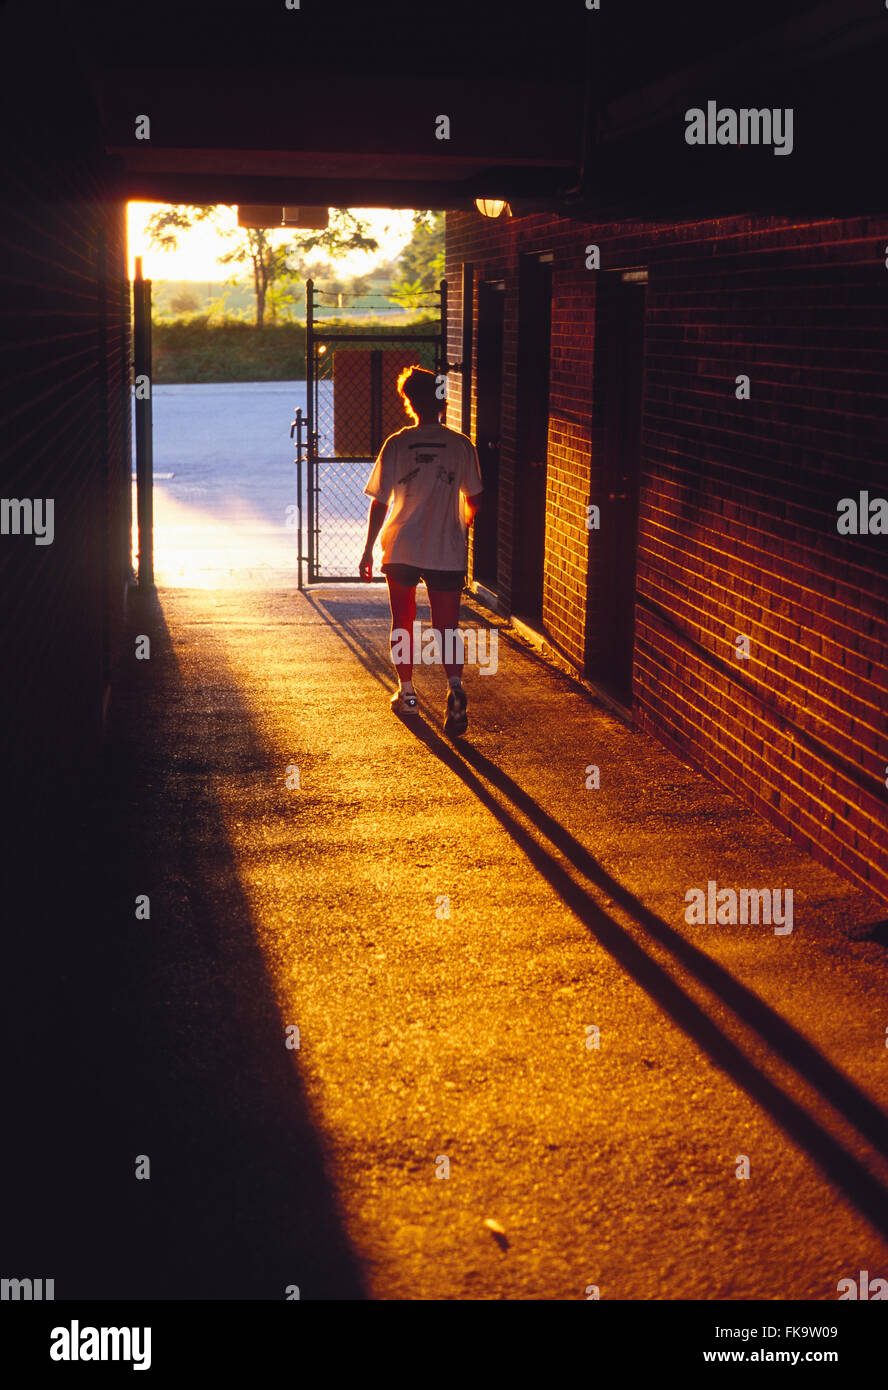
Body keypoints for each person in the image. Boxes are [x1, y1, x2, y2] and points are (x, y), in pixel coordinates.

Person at [359, 365, 483, 736]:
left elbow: (379, 502)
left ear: (409, 402)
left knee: (403, 622)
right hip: (446, 547)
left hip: (402, 545)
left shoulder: (397, 443)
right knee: (447, 627)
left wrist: (368, 550)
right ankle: (456, 688)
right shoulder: (461, 445)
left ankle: (408, 693)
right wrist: (461, 521)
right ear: (444, 400)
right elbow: (475, 498)